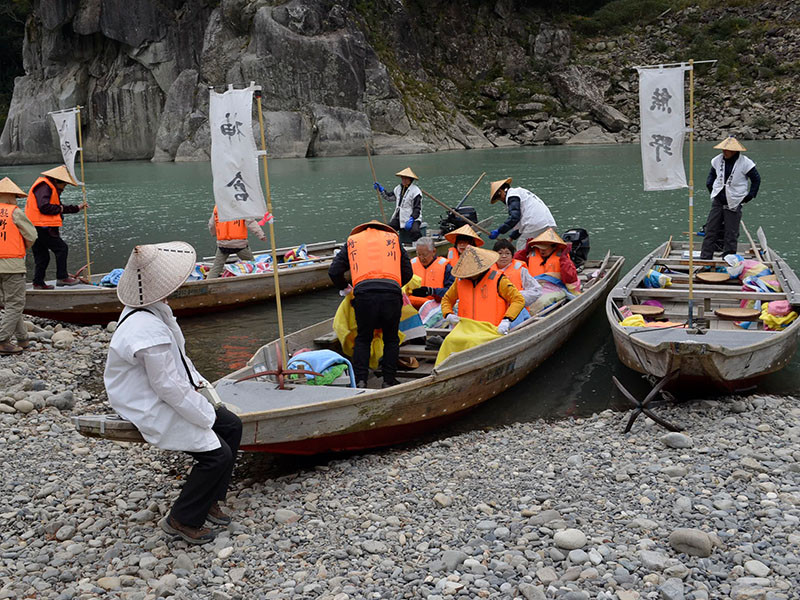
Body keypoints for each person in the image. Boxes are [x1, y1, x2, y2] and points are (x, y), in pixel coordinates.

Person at [104, 241, 242, 545]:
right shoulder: (145, 331)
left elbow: (179, 364)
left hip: (161, 391)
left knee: (231, 425)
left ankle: (210, 499)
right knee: (216, 456)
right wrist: (203, 412)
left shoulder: (153, 310)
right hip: (145, 401)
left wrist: (203, 391)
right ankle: (182, 518)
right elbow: (167, 386)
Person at [328, 220, 413, 388]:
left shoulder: (352, 242)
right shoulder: (394, 240)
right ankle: (388, 380)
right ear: (385, 230)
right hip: (391, 296)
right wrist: (395, 285)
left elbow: (334, 271)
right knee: (391, 339)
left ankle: (360, 380)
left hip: (364, 296)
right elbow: (408, 272)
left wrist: (345, 288)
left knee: (363, 339)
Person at [25, 165, 86, 289]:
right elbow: (45, 207)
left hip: (35, 226)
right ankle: (62, 277)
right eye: (64, 184)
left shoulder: (48, 186)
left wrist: (76, 208)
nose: (64, 188)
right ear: (58, 181)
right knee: (61, 248)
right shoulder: (45, 186)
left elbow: (57, 207)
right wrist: (61, 208)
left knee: (42, 256)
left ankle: (38, 282)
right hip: (42, 227)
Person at [700, 137, 761, 260]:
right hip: (718, 199)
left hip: (735, 199)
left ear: (734, 151)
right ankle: (705, 258)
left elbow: (756, 179)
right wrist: (710, 186)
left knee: (731, 232)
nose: (724, 152)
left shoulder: (745, 163)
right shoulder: (717, 160)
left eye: (727, 150)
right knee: (711, 230)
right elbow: (712, 174)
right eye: (723, 150)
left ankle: (728, 259)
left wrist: (750, 195)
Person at [441, 245, 525, 334]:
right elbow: (447, 299)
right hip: (466, 331)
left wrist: (507, 320)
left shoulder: (498, 279)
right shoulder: (460, 281)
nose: (470, 275)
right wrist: (448, 314)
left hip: (492, 331)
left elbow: (518, 300)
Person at [0, 177, 37, 355]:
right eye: (15, 196)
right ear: (9, 196)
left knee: (9, 303)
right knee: (15, 304)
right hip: (12, 266)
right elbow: (32, 235)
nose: (15, 200)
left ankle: (22, 339)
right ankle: (2, 340)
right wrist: (23, 246)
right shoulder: (14, 212)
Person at [514, 228, 580, 313]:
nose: (541, 250)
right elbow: (515, 263)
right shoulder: (532, 253)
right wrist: (525, 251)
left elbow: (569, 278)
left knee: (538, 303)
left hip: (554, 287)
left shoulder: (563, 257)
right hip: (533, 285)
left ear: (553, 247)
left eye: (544, 248)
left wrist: (564, 258)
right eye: (540, 248)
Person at [488, 177, 556, 249]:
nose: (501, 200)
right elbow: (521, 223)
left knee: (521, 248)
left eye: (499, 198)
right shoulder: (521, 193)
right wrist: (511, 238)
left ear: (501, 192)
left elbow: (514, 218)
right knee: (542, 249)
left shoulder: (512, 195)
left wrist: (499, 230)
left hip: (536, 225)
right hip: (548, 223)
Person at [207, 205, 267, 278]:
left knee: (217, 267)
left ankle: (208, 283)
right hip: (239, 244)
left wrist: (214, 234)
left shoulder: (218, 207)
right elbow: (251, 223)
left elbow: (211, 224)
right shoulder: (241, 206)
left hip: (223, 244)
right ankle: (258, 279)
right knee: (252, 264)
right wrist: (261, 235)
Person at [374, 167, 423, 241]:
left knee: (415, 231)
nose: (403, 180)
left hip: (412, 218)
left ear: (410, 179)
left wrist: (412, 218)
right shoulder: (398, 188)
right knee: (388, 229)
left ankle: (419, 246)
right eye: (402, 178)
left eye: (405, 178)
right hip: (399, 216)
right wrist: (381, 190)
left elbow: (417, 208)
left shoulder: (416, 191)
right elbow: (389, 197)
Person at [492, 239, 542, 308]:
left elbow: (536, 290)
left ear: (512, 256)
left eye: (507, 253)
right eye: (500, 253)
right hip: (494, 309)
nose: (504, 256)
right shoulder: (489, 271)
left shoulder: (521, 270)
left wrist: (516, 296)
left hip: (516, 310)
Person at [408, 236, 454, 309]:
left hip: (436, 309)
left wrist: (432, 291)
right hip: (413, 307)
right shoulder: (410, 265)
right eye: (418, 254)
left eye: (424, 255)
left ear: (433, 252)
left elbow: (452, 292)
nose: (421, 258)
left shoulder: (446, 267)